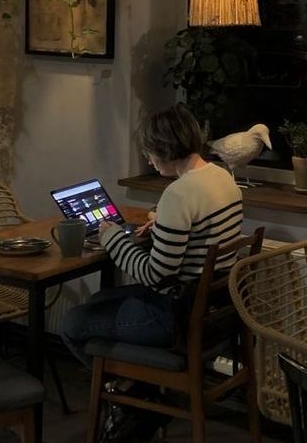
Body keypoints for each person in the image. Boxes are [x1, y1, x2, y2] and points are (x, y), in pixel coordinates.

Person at [61, 103, 243, 367]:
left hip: (176, 318)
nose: (148, 159)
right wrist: (163, 221)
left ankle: (121, 394)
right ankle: (133, 389)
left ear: (165, 148)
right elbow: (202, 228)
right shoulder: (223, 176)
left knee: (73, 321)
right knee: (100, 300)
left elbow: (155, 276)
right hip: (215, 312)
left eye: (149, 151)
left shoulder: (179, 193)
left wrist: (113, 239)